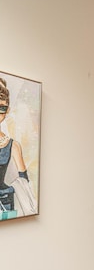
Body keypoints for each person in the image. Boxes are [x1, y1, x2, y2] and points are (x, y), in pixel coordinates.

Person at [0, 77, 36, 217]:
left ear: (7, 110)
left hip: (5, 203)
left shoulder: (13, 145)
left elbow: (24, 181)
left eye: (2, 108)